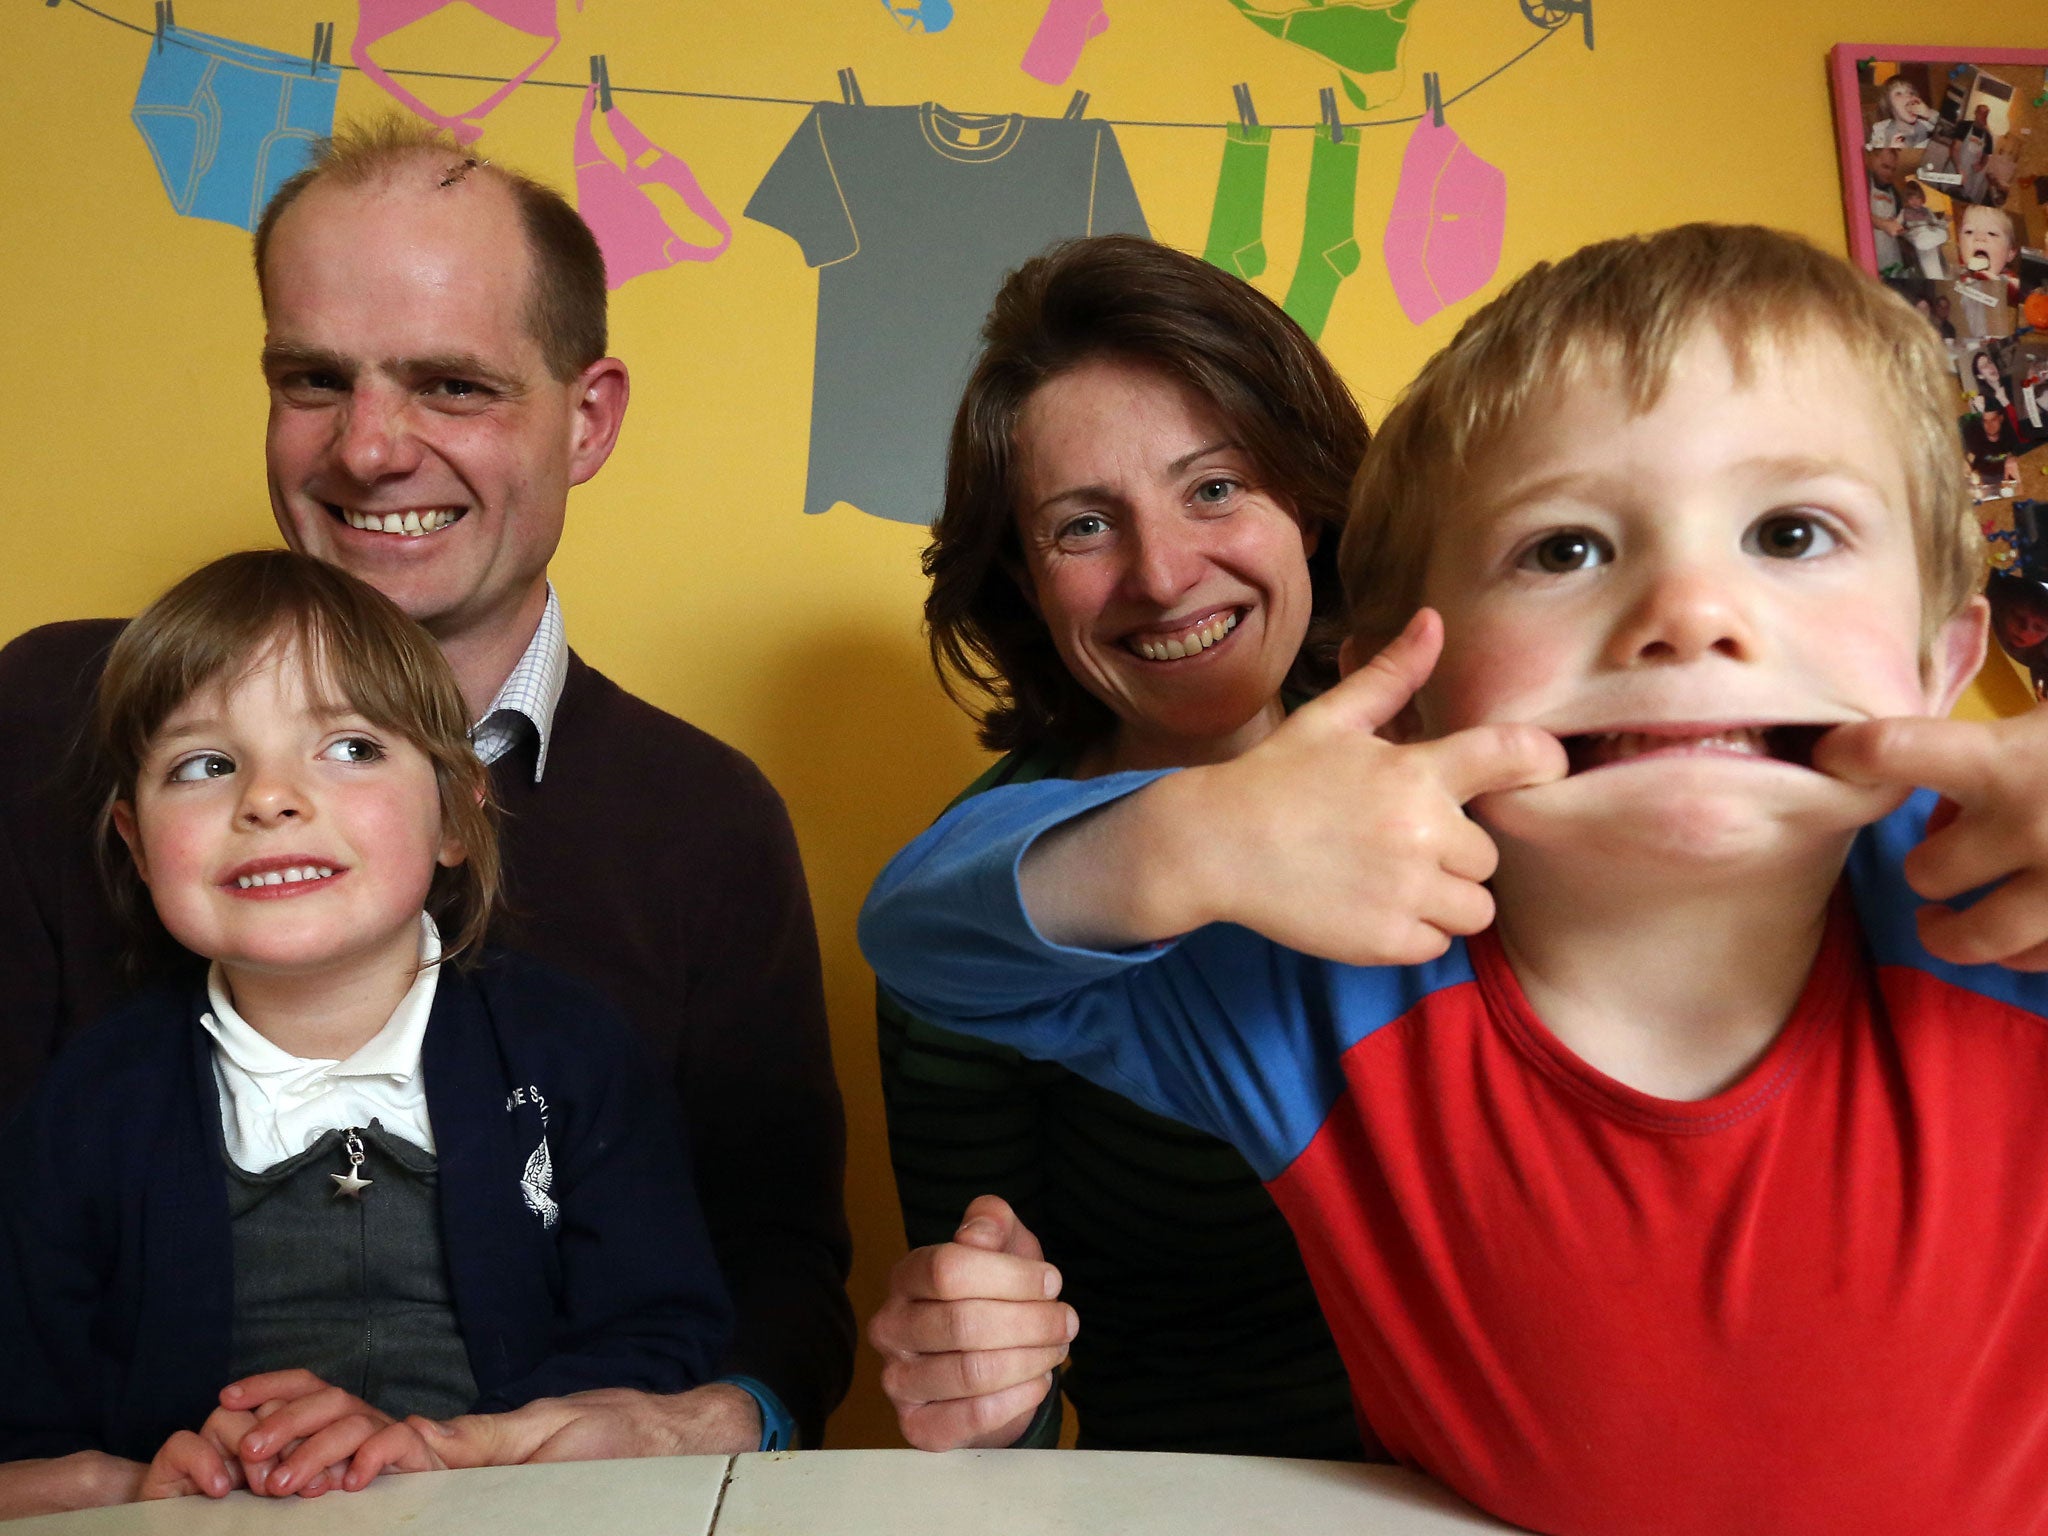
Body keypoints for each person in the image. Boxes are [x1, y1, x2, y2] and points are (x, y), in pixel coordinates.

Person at [861, 224, 2048, 1533]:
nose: (1694, 607)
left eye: (1793, 529)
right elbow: (922, 941)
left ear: (1946, 662)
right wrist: (1190, 841)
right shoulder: (1314, 994)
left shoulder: (1998, 906)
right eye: (1566, 549)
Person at [0, 118, 852, 1482]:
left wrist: (692, 1416)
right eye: (313, 379)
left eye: (451, 386)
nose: (371, 451)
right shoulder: (53, 718)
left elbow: (779, 1276)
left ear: (588, 419)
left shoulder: (704, 820)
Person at [0, 552, 730, 1515]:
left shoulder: (570, 1054)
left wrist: (450, 1448)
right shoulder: (89, 1103)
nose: (267, 798)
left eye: (349, 748)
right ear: (136, 845)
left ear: (457, 814)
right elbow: (28, 1416)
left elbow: (665, 1337)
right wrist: (148, 1479)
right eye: (206, 765)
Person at [870, 236, 1370, 1457]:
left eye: (1212, 488)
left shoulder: (1480, 756)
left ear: (1305, 498)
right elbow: (1008, 1405)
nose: (1161, 573)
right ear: (1024, 584)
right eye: (1084, 526)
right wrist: (979, 1381)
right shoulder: (971, 908)